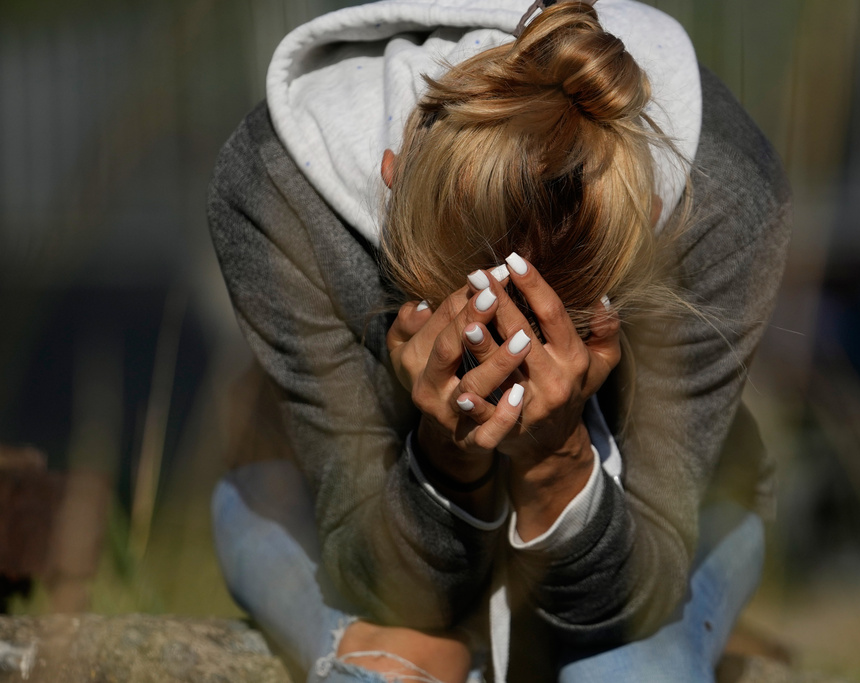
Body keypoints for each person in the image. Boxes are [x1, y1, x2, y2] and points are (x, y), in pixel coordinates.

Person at [207, 0, 790, 681]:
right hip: (335, 517)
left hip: (657, 536)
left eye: (550, 329)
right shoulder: (276, 190)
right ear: (388, 182)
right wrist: (445, 453)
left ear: (650, 226)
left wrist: (559, 464)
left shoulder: (723, 201)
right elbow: (379, 583)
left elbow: (638, 599)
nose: (500, 366)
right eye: (445, 307)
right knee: (392, 668)